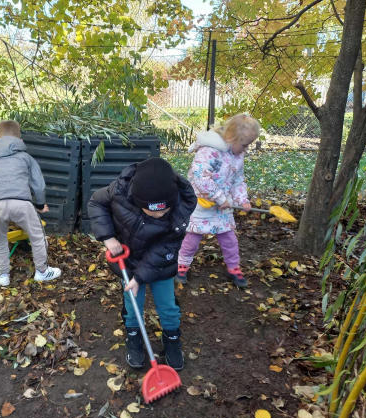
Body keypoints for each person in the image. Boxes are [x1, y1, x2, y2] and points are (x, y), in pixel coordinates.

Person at [88, 157, 196, 371]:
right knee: (132, 304)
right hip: (128, 260)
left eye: (163, 211)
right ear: (137, 200)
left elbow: (166, 247)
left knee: (167, 305)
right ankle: (134, 336)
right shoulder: (119, 191)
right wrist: (108, 238)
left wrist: (140, 278)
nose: (159, 214)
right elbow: (96, 203)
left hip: (161, 265)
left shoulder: (180, 208)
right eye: (152, 210)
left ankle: (172, 337)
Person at [176, 113, 260, 288]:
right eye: (244, 145)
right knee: (192, 238)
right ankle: (182, 265)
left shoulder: (237, 156)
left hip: (223, 206)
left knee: (229, 239)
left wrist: (242, 199)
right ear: (231, 138)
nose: (246, 149)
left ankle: (233, 267)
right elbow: (200, 178)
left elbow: (238, 180)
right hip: (202, 203)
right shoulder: (209, 152)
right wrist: (220, 197)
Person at [0, 120, 61, 286]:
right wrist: (40, 205)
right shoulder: (26, 157)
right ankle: (42, 271)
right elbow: (38, 184)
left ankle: (3, 274)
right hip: (21, 202)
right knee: (37, 235)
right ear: (21, 141)